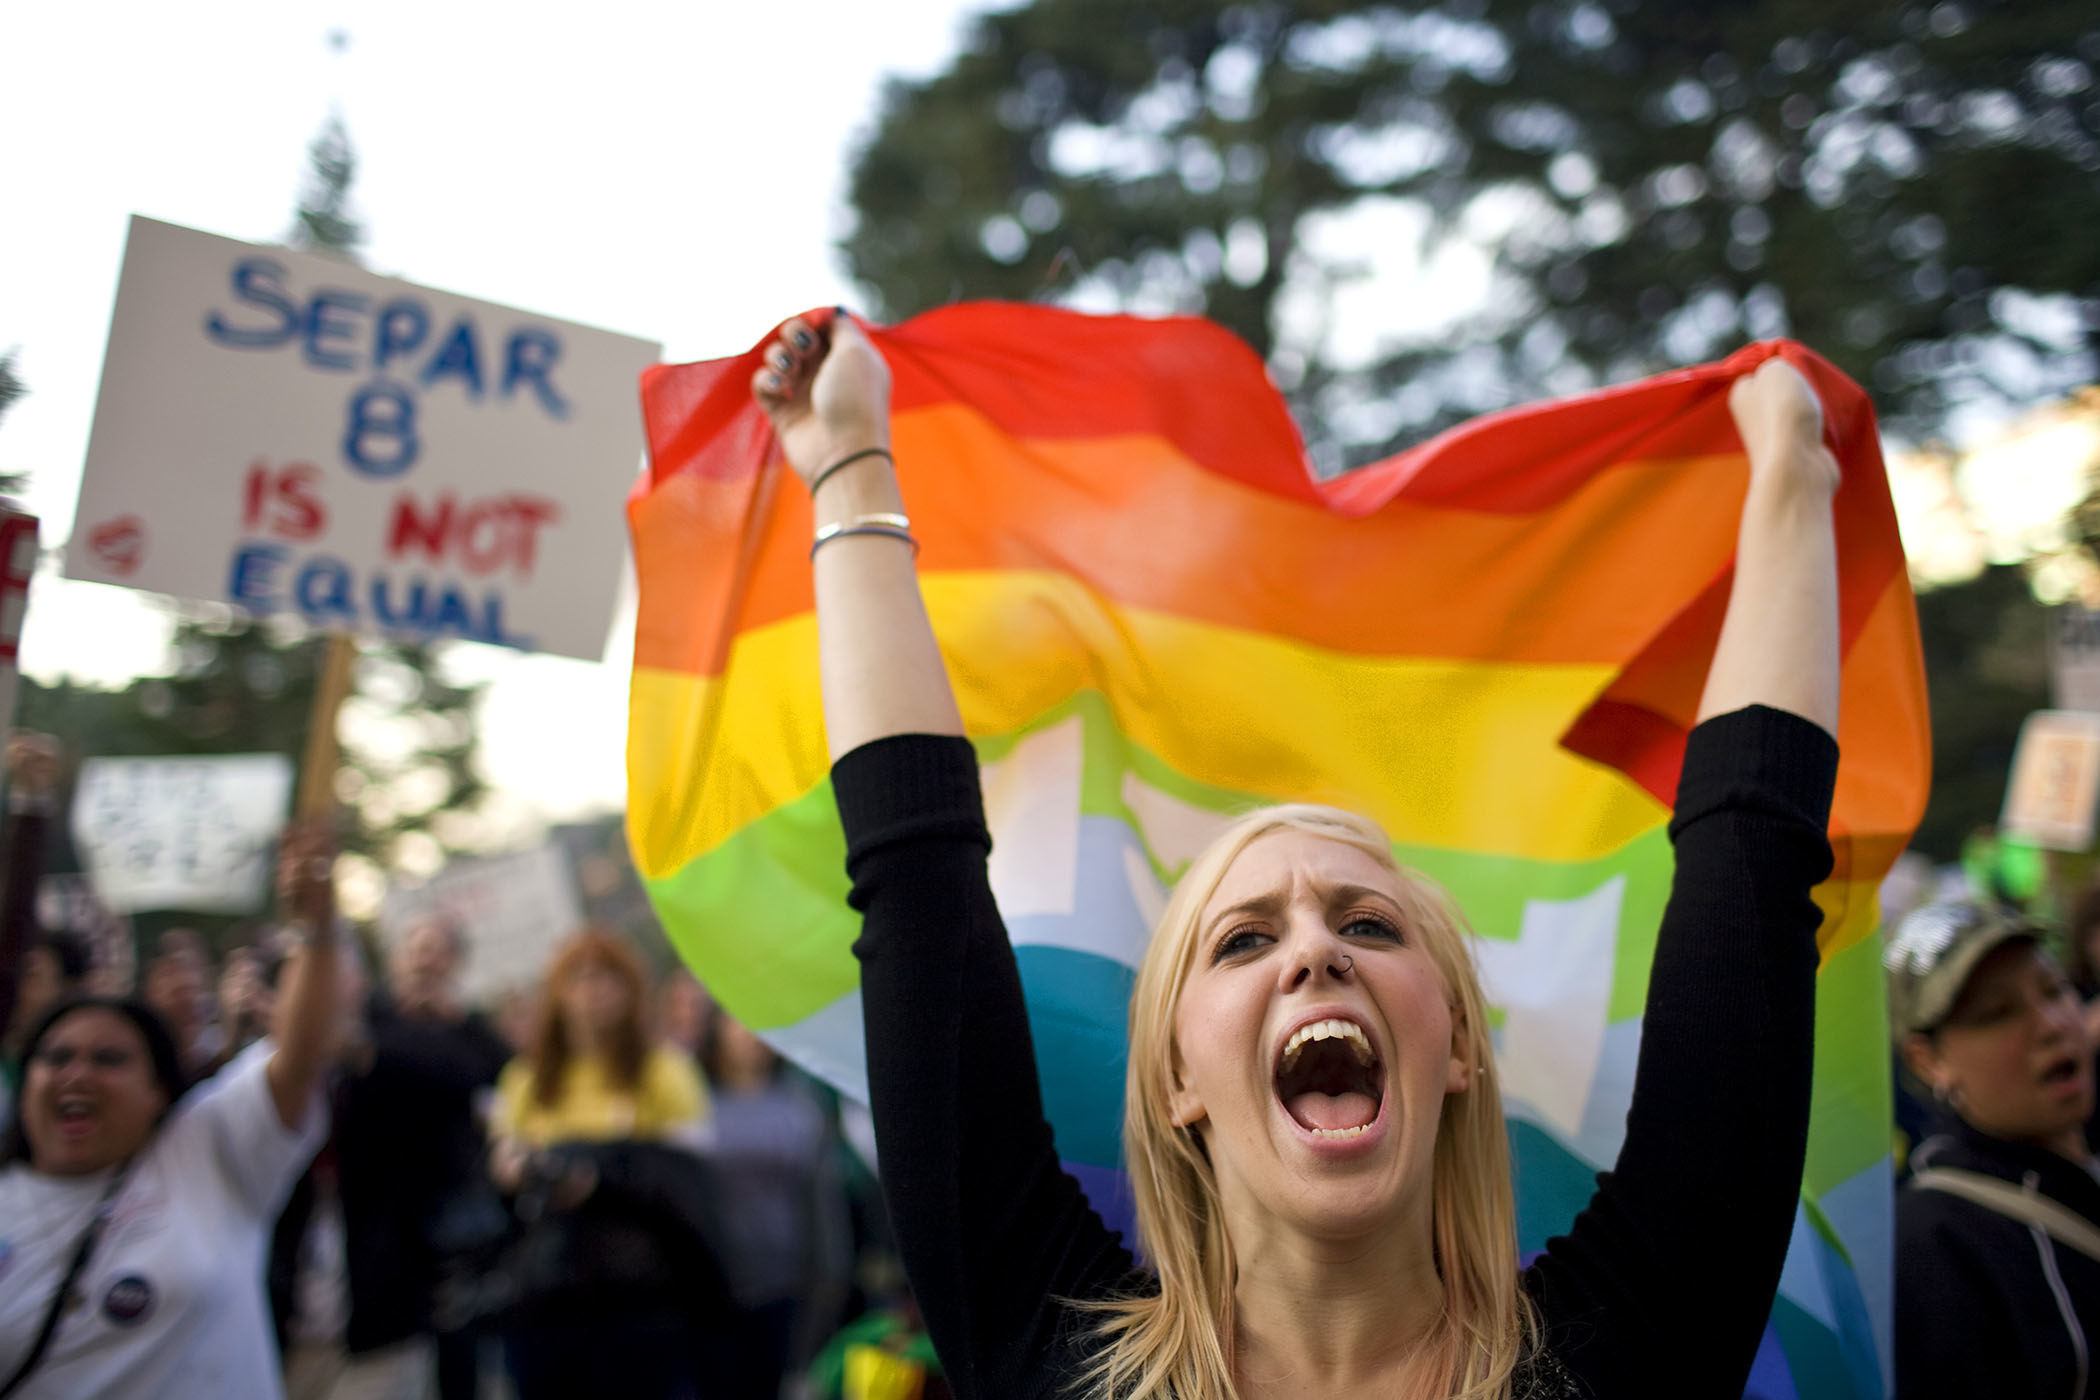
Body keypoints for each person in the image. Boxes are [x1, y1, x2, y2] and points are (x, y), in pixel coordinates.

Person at [749, 314, 1843, 1397]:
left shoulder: (1618, 1356)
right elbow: (918, 881)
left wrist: (1789, 479)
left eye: (1368, 921)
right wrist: (848, 461)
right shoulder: (1066, 1368)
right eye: (1243, 940)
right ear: (1179, 1074)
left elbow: (1749, 869)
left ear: (1456, 1041)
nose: (1316, 950)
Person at [0, 821, 340, 1399]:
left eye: (108, 1059)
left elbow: (300, 1052)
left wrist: (318, 927)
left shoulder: (206, 1152)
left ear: (159, 1091)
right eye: (56, 1057)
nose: (77, 1074)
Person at [487, 929, 726, 1400]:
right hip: (550, 1296)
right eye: (578, 976)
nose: (592, 989)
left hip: (642, 1296)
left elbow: (689, 1184)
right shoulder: (525, 1078)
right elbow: (500, 1168)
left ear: (630, 987)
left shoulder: (665, 1070)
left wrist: (603, 1180)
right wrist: (514, 1172)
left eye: (606, 975)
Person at [1890, 900, 2100, 1398]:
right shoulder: (1935, 1247)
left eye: (2053, 990)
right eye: (1996, 1013)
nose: (2051, 1024)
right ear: (1928, 1061)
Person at [699, 1012, 835, 1399]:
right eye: (738, 1022)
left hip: (785, 1278)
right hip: (713, 1283)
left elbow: (819, 1202)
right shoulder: (694, 1100)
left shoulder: (799, 1103)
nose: (751, 1034)